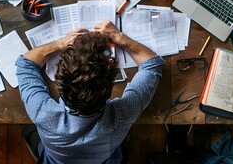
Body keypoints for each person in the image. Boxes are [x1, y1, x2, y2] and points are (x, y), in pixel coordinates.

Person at [16, 20, 164, 163]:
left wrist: (59, 44)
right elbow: (152, 65)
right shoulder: (123, 115)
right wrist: (119, 37)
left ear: (60, 80)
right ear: (110, 84)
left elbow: (25, 63)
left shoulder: (42, 114)